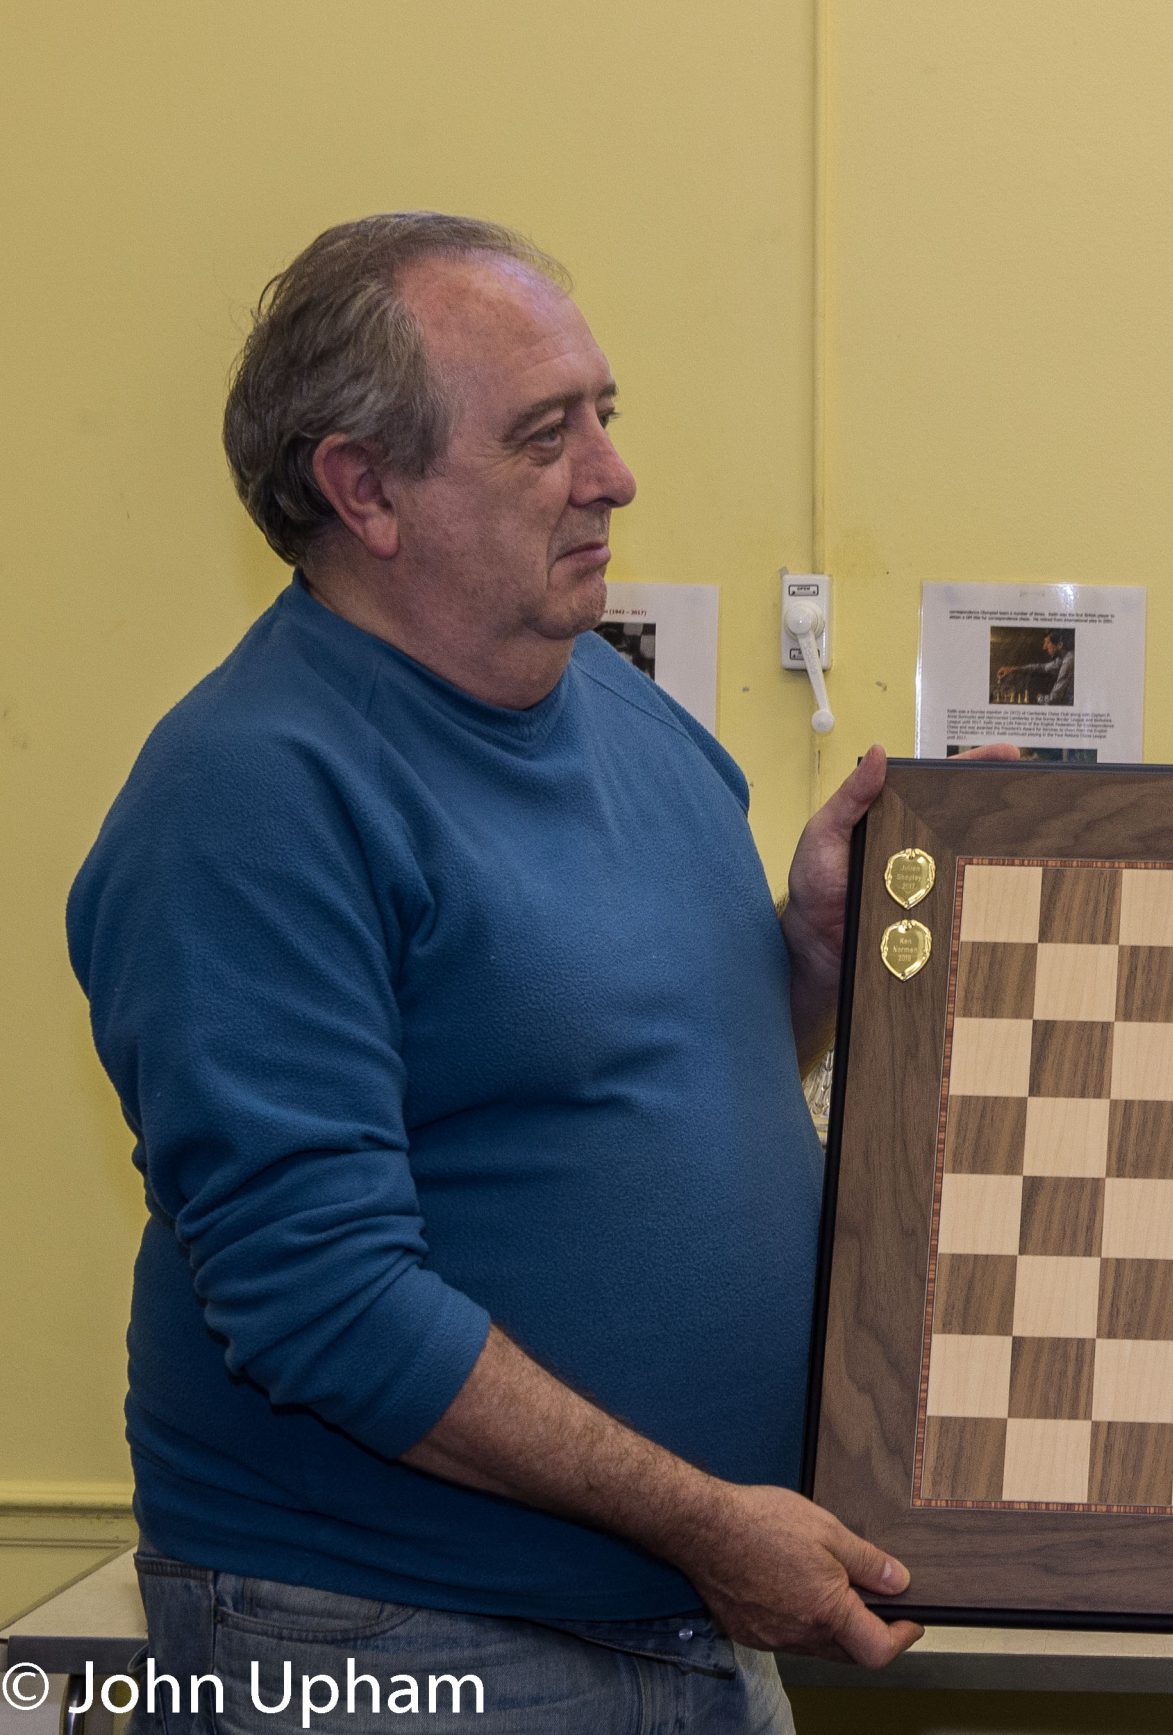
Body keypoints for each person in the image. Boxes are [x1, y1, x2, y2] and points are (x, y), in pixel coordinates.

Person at [68, 213, 945, 1733]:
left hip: (683, 1610)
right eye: (547, 434)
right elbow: (320, 1300)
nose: (611, 473)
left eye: (604, 415)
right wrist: (703, 1521)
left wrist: (807, 958)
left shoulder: (616, 706)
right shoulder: (253, 794)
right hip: (395, 1640)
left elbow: (644, 1083)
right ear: (365, 488)